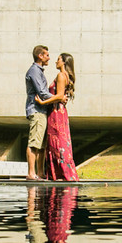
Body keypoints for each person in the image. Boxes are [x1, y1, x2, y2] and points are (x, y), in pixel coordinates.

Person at [37, 53, 78, 182]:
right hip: (59, 111)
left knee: (57, 142)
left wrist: (43, 102)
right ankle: (60, 173)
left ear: (64, 62)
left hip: (56, 112)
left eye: (58, 60)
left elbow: (60, 95)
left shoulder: (61, 75)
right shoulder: (65, 76)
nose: (56, 62)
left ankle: (61, 174)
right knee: (59, 141)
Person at [25, 45, 52, 180]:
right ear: (40, 56)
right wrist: (57, 98)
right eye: (46, 55)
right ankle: (31, 173)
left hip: (42, 110)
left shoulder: (39, 71)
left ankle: (40, 173)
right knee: (34, 142)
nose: (49, 57)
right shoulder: (34, 71)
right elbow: (42, 93)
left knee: (41, 145)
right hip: (36, 110)